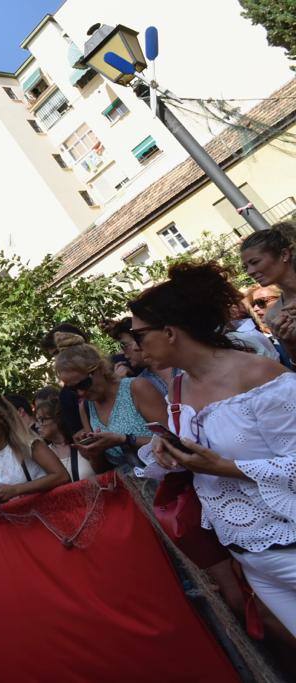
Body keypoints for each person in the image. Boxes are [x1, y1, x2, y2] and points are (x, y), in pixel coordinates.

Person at [131, 261, 296, 636]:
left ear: (170, 332)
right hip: (250, 556)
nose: (135, 347)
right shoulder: (177, 389)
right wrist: (168, 449)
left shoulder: (258, 375)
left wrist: (224, 466)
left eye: (139, 335)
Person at [54, 335, 166, 470]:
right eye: (72, 389)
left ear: (99, 369)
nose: (80, 393)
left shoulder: (136, 388)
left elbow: (173, 441)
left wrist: (125, 439)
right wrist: (93, 453)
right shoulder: (86, 407)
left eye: (84, 384)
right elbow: (101, 468)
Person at [0, 395, 70, 505]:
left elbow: (62, 476)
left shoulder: (27, 442)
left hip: (49, 510)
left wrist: (15, 490)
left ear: (3, 419)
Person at [242, 221, 296, 358]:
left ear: (284, 254)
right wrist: (290, 345)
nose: (250, 271)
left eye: (254, 262)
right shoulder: (274, 316)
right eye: (246, 267)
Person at [34, 394, 95, 482]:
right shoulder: (44, 454)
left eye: (41, 419)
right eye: (37, 420)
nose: (37, 425)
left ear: (57, 419)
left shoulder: (82, 442)